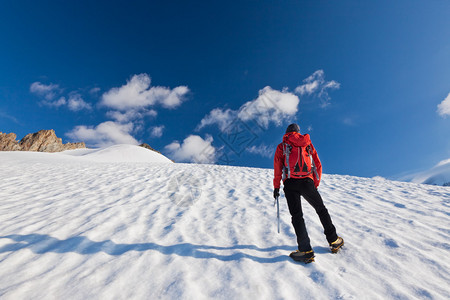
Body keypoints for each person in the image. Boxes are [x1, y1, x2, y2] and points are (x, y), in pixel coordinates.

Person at [273, 123, 343, 263]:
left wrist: (276, 187)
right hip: (307, 182)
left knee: (297, 216)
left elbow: (278, 167)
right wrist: (314, 184)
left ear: (287, 132)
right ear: (298, 131)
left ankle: (305, 250)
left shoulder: (282, 146)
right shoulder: (307, 144)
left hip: (290, 183)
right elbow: (317, 164)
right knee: (321, 210)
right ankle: (334, 240)